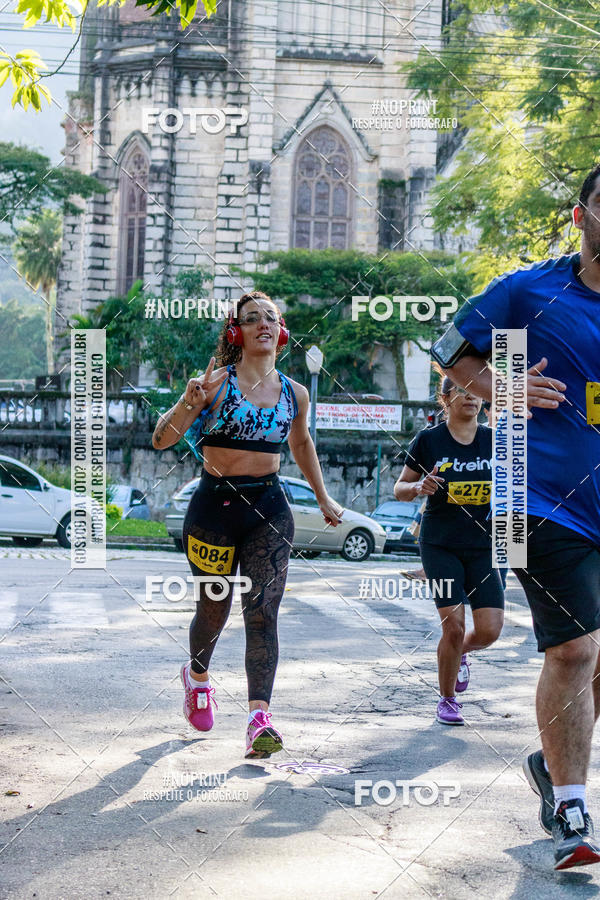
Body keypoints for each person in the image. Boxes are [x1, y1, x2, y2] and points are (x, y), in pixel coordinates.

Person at [431, 164, 600, 869]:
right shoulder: (531, 288)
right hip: (537, 500)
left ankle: (549, 761)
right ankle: (571, 808)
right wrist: (501, 384)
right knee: (575, 650)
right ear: (580, 215)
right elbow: (448, 348)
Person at [152, 291, 343, 758]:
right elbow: (162, 440)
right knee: (213, 609)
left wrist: (322, 497)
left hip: (269, 510)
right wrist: (186, 403)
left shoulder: (295, 393)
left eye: (270, 318)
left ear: (282, 333)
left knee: (262, 613)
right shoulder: (214, 383)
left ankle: (260, 720)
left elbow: (301, 447)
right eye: (251, 318)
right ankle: (198, 679)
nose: (262, 323)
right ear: (237, 332)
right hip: (213, 509)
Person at [393, 375, 505, 725]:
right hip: (440, 544)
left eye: (477, 392)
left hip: (484, 546)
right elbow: (399, 488)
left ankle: (462, 655)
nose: (471, 398)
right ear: (446, 398)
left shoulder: (495, 440)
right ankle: (447, 699)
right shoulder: (429, 440)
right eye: (462, 390)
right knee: (453, 627)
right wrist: (418, 486)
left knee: (489, 630)